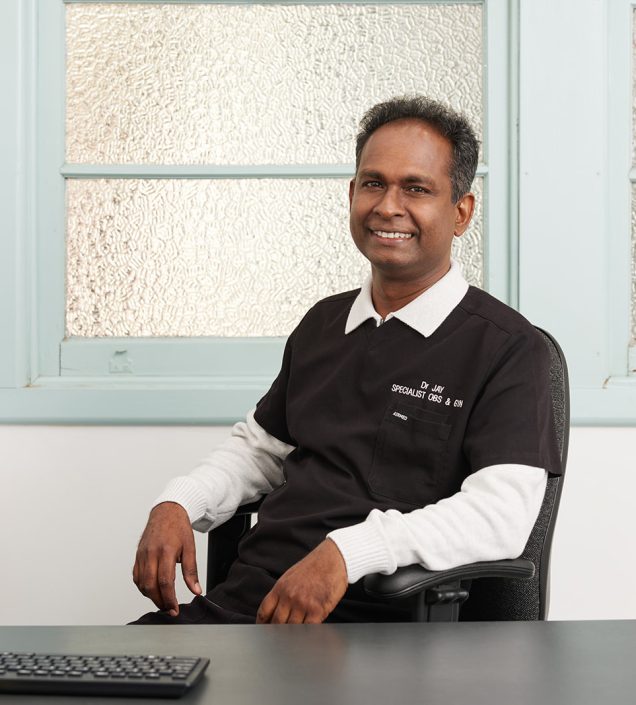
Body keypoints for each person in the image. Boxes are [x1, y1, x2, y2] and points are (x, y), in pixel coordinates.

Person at [131, 95, 560, 625]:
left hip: (372, 632)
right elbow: (261, 452)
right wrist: (178, 502)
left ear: (461, 212)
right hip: (245, 609)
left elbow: (500, 516)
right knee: (93, 669)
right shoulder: (324, 323)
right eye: (374, 183)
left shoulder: (507, 348)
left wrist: (347, 553)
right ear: (352, 194)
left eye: (416, 188)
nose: (388, 206)